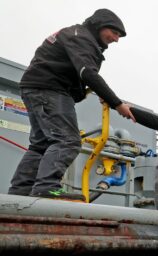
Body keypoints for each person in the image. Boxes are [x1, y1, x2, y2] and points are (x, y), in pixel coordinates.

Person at [8, 9, 134, 201]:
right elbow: (88, 73)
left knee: (41, 143)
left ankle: (20, 191)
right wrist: (116, 103)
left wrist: (95, 92)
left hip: (36, 87)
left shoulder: (74, 35)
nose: (116, 39)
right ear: (100, 25)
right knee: (68, 140)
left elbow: (73, 72)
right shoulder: (82, 38)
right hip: (49, 89)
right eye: (114, 33)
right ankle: (47, 187)